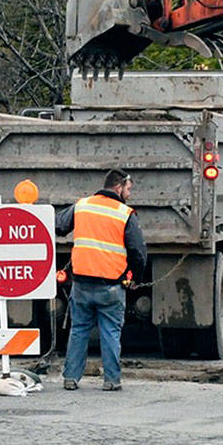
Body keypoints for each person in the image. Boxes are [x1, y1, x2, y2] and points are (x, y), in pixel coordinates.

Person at [56, 168, 147, 392]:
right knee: (110, 332)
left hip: (81, 284)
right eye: (128, 189)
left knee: (79, 330)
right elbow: (138, 251)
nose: (129, 194)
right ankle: (111, 380)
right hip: (111, 286)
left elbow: (58, 226)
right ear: (118, 187)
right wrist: (135, 277)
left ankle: (71, 378)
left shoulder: (82, 205)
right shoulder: (124, 213)